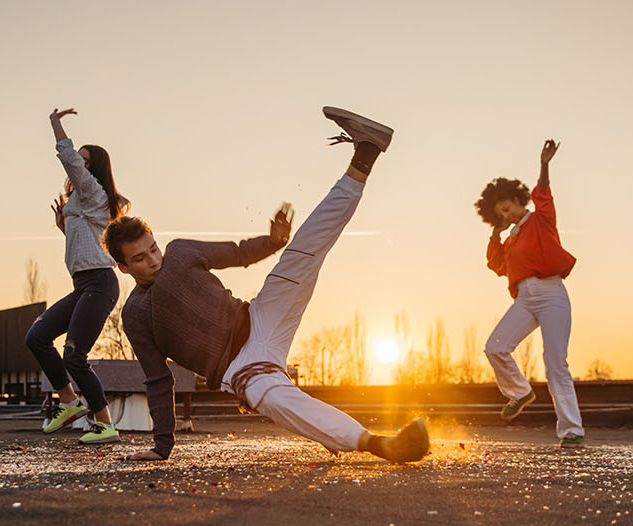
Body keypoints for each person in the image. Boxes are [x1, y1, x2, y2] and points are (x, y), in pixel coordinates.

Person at [105, 107, 428, 463]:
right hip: (240, 368)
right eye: (140, 259)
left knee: (304, 251)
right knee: (274, 399)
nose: (153, 260)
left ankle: (364, 156)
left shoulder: (180, 252)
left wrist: (273, 242)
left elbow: (237, 253)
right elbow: (157, 379)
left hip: (261, 318)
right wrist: (161, 447)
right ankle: (384, 445)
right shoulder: (136, 314)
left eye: (153, 249)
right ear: (122, 267)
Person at [474, 140, 585, 448]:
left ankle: (572, 431)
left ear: (517, 200)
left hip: (551, 294)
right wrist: (495, 236)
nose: (506, 216)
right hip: (524, 298)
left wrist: (544, 164)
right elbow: (497, 266)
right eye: (500, 214)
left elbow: (544, 193)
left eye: (507, 209)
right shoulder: (509, 240)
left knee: (554, 362)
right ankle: (520, 392)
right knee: (495, 347)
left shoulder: (540, 219)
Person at [28, 108, 126, 444]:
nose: (79, 165)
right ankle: (69, 403)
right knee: (37, 337)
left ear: (93, 168)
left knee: (74, 356)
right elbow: (85, 244)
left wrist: (56, 125)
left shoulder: (94, 192)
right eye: (80, 161)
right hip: (83, 284)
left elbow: (69, 161)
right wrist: (63, 228)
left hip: (100, 284)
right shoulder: (82, 204)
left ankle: (105, 424)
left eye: (85, 161)